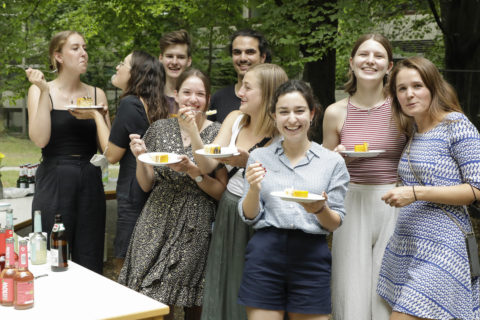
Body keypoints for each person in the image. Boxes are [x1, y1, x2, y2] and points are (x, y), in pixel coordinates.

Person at [118, 68, 227, 320]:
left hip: (195, 218)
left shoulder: (217, 132)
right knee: (149, 296)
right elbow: (146, 185)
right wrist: (140, 157)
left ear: (208, 100)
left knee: (185, 292)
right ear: (176, 95)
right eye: (187, 92)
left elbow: (220, 191)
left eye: (200, 94)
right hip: (156, 216)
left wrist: (191, 170)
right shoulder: (159, 129)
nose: (193, 99)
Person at [377, 56, 480, 320]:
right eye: (402, 88)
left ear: (433, 87)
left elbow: (477, 189)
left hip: (443, 247)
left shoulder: (456, 125)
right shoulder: (414, 131)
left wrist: (414, 193)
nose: (409, 94)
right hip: (410, 245)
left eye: (417, 86)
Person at [237, 80, 349, 320]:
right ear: (274, 116)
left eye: (299, 111)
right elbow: (249, 216)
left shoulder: (332, 162)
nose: (292, 119)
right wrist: (254, 190)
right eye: (284, 112)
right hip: (265, 253)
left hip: (311, 254)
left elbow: (334, 223)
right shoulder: (259, 156)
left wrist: (320, 209)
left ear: (312, 113)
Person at [322, 33, 406, 320]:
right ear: (351, 62)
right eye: (364, 54)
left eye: (378, 56)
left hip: (394, 200)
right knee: (349, 288)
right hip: (351, 200)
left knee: (387, 291)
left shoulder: (402, 108)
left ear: (389, 66)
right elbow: (325, 168)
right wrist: (336, 158)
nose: (370, 60)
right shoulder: (335, 112)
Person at [199, 63, 288, 320]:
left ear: (268, 93)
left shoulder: (284, 132)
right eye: (241, 85)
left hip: (265, 217)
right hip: (229, 208)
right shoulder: (234, 119)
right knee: (224, 278)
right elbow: (208, 161)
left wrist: (248, 163)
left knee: (255, 283)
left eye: (248, 87)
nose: (240, 92)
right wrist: (194, 133)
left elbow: (286, 184)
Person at [25, 30, 110, 274]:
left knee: (91, 257)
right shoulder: (41, 90)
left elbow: (109, 150)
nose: (83, 53)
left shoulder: (97, 93)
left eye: (84, 47)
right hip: (54, 178)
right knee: (53, 255)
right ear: (58, 56)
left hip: (90, 178)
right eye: (75, 48)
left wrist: (99, 115)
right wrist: (42, 91)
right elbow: (40, 139)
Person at [105, 50, 169, 275]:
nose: (117, 67)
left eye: (122, 63)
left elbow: (111, 155)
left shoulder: (129, 103)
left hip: (133, 190)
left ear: (136, 74)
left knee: (125, 262)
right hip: (154, 189)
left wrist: (96, 117)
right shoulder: (156, 104)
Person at [209, 29, 270, 123]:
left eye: (250, 52)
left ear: (263, 57)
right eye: (237, 52)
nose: (243, 58)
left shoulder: (275, 98)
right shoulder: (219, 98)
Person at [159, 29, 192, 114]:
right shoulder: (150, 97)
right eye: (169, 56)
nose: (174, 62)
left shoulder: (196, 100)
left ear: (188, 61)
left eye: (180, 57)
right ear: (161, 58)